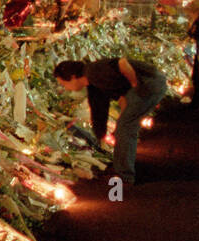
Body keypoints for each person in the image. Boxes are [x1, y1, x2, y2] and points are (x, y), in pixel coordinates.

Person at [54, 56, 167, 186]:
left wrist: (135, 85)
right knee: (123, 128)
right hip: (150, 84)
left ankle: (125, 176)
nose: (66, 88)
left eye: (64, 84)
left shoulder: (94, 71)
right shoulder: (93, 84)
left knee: (125, 130)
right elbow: (107, 105)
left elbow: (123, 62)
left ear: (73, 77)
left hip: (149, 84)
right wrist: (105, 131)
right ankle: (123, 170)